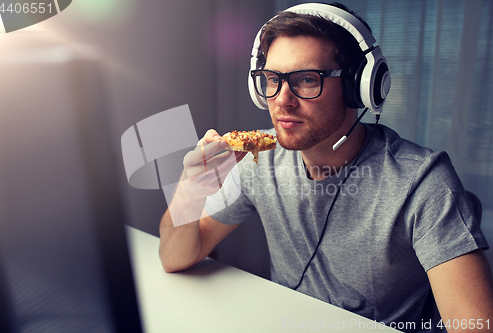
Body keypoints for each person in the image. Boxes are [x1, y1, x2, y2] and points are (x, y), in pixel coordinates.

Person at [159, 2, 493, 332]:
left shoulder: (422, 182)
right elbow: (175, 257)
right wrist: (190, 191)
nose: (281, 99)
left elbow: (475, 324)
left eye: (306, 79)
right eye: (272, 78)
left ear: (358, 86)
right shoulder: (256, 159)